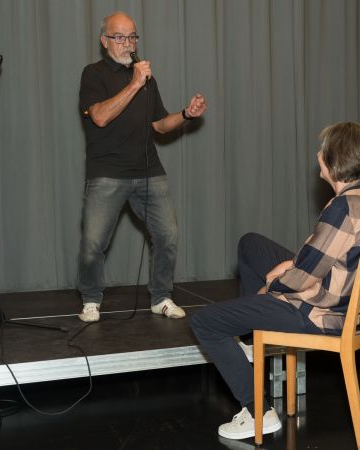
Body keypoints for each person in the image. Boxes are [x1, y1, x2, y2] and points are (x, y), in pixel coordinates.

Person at [191, 121, 360, 440]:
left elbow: (302, 280)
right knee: (251, 244)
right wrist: (291, 265)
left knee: (205, 322)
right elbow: (325, 255)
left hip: (320, 313)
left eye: (322, 151)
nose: (317, 155)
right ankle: (249, 344)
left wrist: (270, 288)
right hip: (341, 301)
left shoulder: (342, 208)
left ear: (334, 160)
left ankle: (258, 412)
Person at [77, 11, 207, 323]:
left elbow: (159, 125)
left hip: (148, 171)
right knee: (93, 243)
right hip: (106, 173)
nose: (128, 43)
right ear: (105, 41)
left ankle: (161, 297)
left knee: (167, 235)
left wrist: (186, 114)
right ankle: (91, 300)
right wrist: (134, 83)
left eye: (132, 37)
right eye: (119, 37)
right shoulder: (93, 74)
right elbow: (100, 117)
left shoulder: (147, 80)